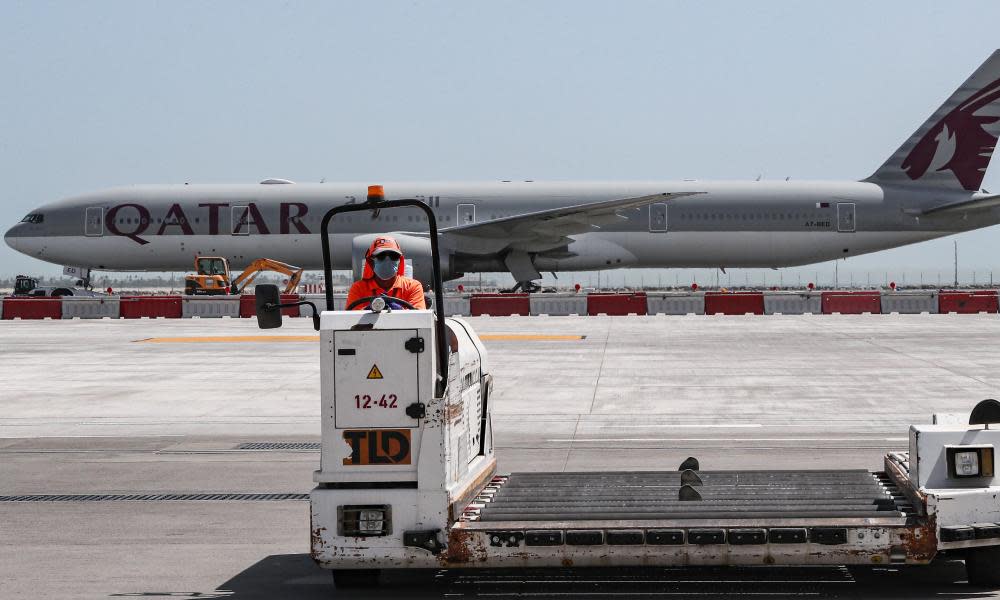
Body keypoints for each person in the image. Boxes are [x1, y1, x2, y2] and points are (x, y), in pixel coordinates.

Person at [347, 236, 426, 310]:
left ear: (399, 261)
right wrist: (367, 311)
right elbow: (350, 319)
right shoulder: (358, 288)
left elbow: (419, 319)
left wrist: (399, 310)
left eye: (393, 256)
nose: (387, 260)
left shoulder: (413, 287)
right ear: (371, 262)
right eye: (381, 256)